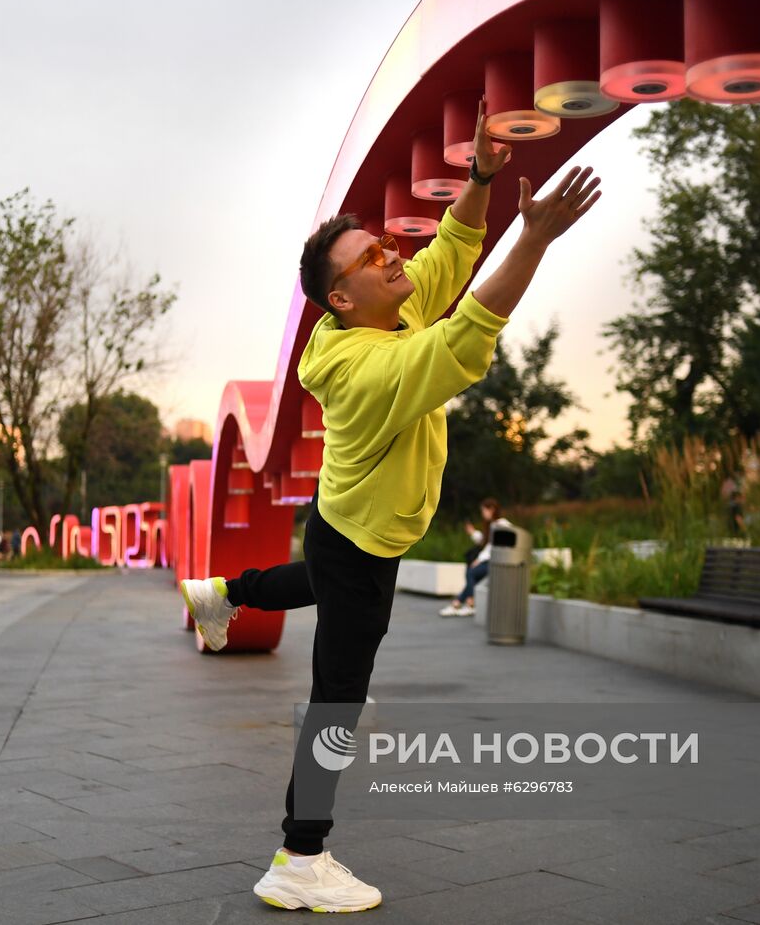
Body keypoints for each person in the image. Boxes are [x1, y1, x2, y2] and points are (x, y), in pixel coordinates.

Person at [178, 101, 602, 914]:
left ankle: (221, 593)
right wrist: (536, 239)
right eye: (374, 255)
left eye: (382, 242)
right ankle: (299, 856)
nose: (393, 252)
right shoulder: (362, 368)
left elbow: (451, 252)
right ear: (342, 298)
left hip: (349, 530)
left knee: (312, 582)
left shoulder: (389, 305)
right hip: (363, 538)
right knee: (340, 689)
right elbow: (463, 340)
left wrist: (480, 177)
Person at [440, 498, 510, 617]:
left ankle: (469, 604)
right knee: (472, 574)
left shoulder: (502, 524)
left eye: (484, 511)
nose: (483, 514)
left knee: (472, 573)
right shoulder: (492, 525)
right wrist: (472, 532)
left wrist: (479, 560)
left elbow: (493, 546)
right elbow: (485, 541)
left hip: (498, 561)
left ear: (492, 509)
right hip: (493, 560)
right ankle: (458, 603)